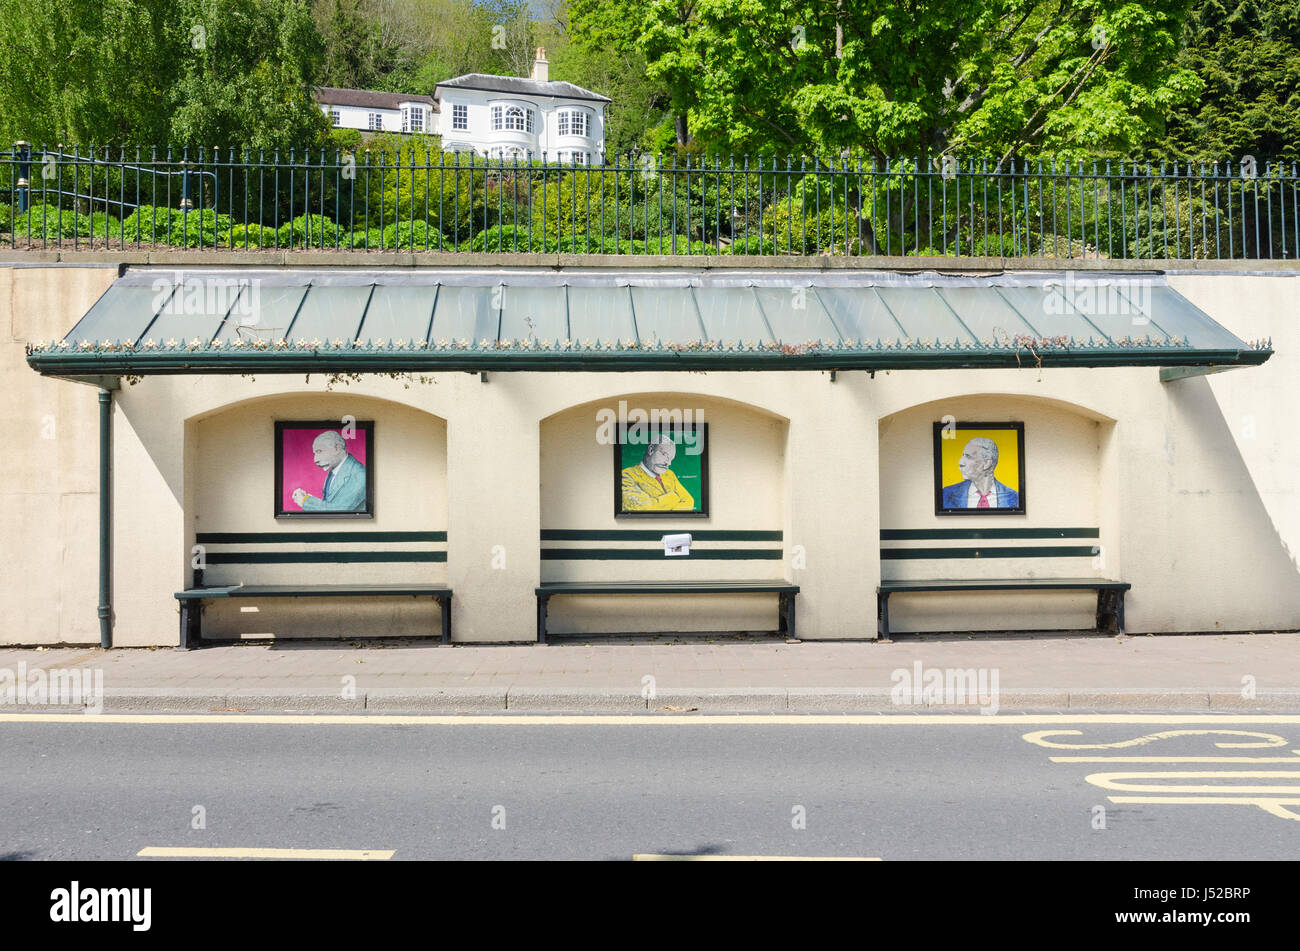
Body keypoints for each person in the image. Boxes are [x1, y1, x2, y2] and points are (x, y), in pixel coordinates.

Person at [292, 430, 367, 512]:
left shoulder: (359, 475)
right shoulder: (334, 470)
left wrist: (305, 501)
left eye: (319, 451)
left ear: (337, 448)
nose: (315, 460)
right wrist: (307, 498)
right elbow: (330, 503)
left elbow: (338, 511)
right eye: (315, 453)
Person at [941, 436, 1019, 509]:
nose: (960, 462)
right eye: (963, 456)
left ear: (986, 463)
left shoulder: (1014, 497)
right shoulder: (947, 494)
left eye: (968, 456)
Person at [621, 435, 694, 511]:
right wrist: (674, 497)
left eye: (671, 459)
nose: (669, 463)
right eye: (665, 456)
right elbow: (645, 508)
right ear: (651, 450)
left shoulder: (670, 474)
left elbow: (689, 501)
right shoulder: (626, 475)